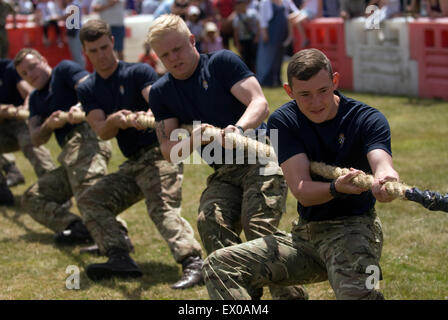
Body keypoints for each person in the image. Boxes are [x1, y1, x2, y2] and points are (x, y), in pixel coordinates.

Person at [203, 48, 400, 300]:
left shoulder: (366, 119)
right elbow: (302, 190)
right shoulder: (284, 121)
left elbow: (381, 161)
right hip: (306, 236)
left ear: (335, 81)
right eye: (305, 95)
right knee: (219, 265)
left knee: (358, 295)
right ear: (289, 91)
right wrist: (335, 188)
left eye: (323, 91)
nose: (316, 102)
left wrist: (385, 177)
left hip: (356, 230)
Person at [147, 13, 308, 300]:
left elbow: (259, 103)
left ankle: (290, 297)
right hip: (224, 171)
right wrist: (195, 138)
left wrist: (236, 129)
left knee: (257, 227)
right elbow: (170, 152)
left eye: (178, 49)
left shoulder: (221, 63)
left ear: (192, 40)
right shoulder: (161, 92)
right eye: (164, 54)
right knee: (210, 221)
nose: (173, 58)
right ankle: (240, 299)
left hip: (261, 158)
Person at [75, 19, 204, 289]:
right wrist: (115, 120)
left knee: (161, 207)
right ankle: (119, 255)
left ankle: (193, 261)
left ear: (112, 41)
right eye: (93, 51)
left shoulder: (137, 72)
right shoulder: (87, 88)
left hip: (159, 154)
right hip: (133, 163)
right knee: (91, 200)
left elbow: (156, 102)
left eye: (103, 47)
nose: (100, 55)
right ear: (85, 52)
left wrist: (147, 115)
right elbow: (101, 130)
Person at [14, 48, 112, 245]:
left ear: (43, 60)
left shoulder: (64, 70)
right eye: (24, 74)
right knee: (32, 198)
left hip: (87, 139)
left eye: (33, 67)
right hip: (70, 155)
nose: (31, 75)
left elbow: (92, 87)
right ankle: (79, 228)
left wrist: (80, 105)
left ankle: (116, 237)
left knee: (89, 193)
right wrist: (49, 125)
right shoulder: (35, 99)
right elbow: (35, 138)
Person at [0, 58, 56, 205]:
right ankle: (2, 191)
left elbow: (29, 92)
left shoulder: (8, 68)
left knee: (30, 143)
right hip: (3, 127)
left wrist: (26, 106)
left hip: (21, 121)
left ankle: (54, 187)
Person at [256, 0, 299, 87]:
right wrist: (264, 32)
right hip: (270, 33)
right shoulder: (265, 2)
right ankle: (265, 81)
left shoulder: (286, 2)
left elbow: (296, 12)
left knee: (279, 58)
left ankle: (277, 80)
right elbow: (263, 19)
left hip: (282, 34)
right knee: (267, 58)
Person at [232, 0, 259, 72]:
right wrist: (238, 44)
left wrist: (257, 36)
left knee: (255, 58)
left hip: (253, 39)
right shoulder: (237, 18)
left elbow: (258, 25)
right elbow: (236, 32)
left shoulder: (253, 13)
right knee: (246, 59)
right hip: (243, 40)